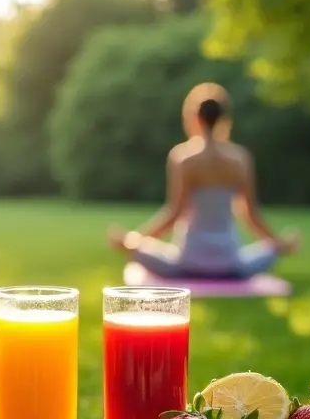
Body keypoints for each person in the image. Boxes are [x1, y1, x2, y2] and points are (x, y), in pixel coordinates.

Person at [109, 82, 300, 279]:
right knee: (270, 250)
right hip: (230, 264)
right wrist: (276, 244)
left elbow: (174, 213)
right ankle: (283, 245)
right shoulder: (241, 159)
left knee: (137, 250)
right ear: (224, 119)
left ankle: (130, 243)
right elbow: (250, 214)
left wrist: (135, 241)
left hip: (188, 263)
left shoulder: (183, 158)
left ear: (194, 118)